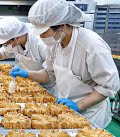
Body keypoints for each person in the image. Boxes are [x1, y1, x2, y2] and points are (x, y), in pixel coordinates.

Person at [11, 0, 120, 128]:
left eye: (44, 32)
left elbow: (109, 86)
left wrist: (79, 105)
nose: (41, 37)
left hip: (91, 113)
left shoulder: (91, 45)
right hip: (64, 108)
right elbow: (48, 74)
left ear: (62, 25)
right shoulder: (55, 43)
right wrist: (27, 74)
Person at [0, 17, 55, 94]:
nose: (5, 45)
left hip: (45, 87)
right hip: (26, 84)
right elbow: (4, 53)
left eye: (6, 43)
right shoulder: (15, 39)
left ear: (17, 37)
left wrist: (26, 74)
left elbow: (50, 73)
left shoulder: (41, 43)